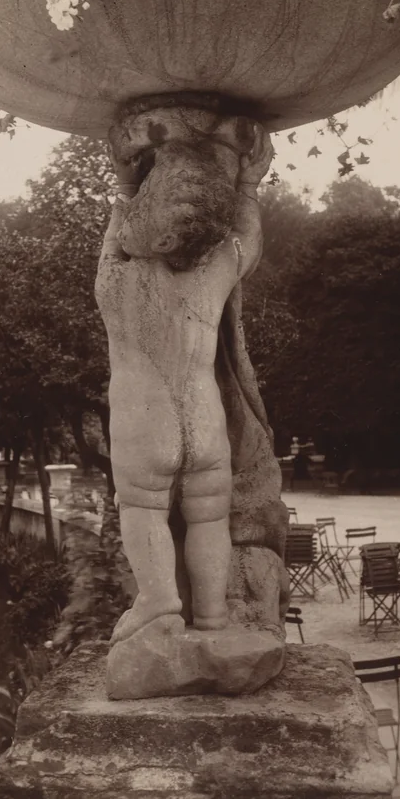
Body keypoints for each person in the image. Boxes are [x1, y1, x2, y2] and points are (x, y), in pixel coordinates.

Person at [95, 106, 274, 645]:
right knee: (208, 517)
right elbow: (247, 241)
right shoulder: (213, 275)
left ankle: (160, 602)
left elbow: (117, 228)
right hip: (204, 418)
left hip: (144, 419)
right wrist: (246, 184)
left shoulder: (119, 282)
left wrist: (129, 182)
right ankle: (214, 618)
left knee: (144, 508)